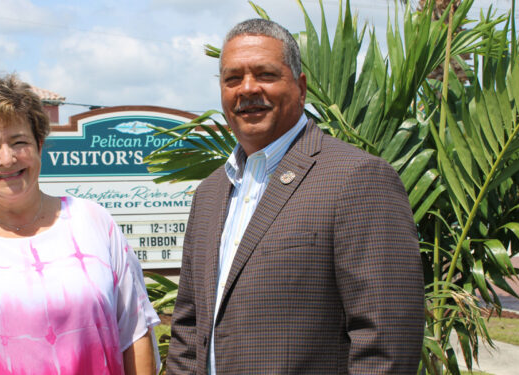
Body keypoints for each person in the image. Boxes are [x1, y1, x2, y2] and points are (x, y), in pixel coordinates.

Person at [167, 19, 425, 374]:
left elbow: (387, 341)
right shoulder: (211, 192)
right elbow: (188, 326)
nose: (247, 89)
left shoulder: (357, 178)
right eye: (232, 79)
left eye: (265, 74)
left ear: (300, 87)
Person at [0, 73, 159, 375]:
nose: (7, 159)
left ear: (39, 146)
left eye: (19, 142)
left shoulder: (93, 223)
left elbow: (135, 332)